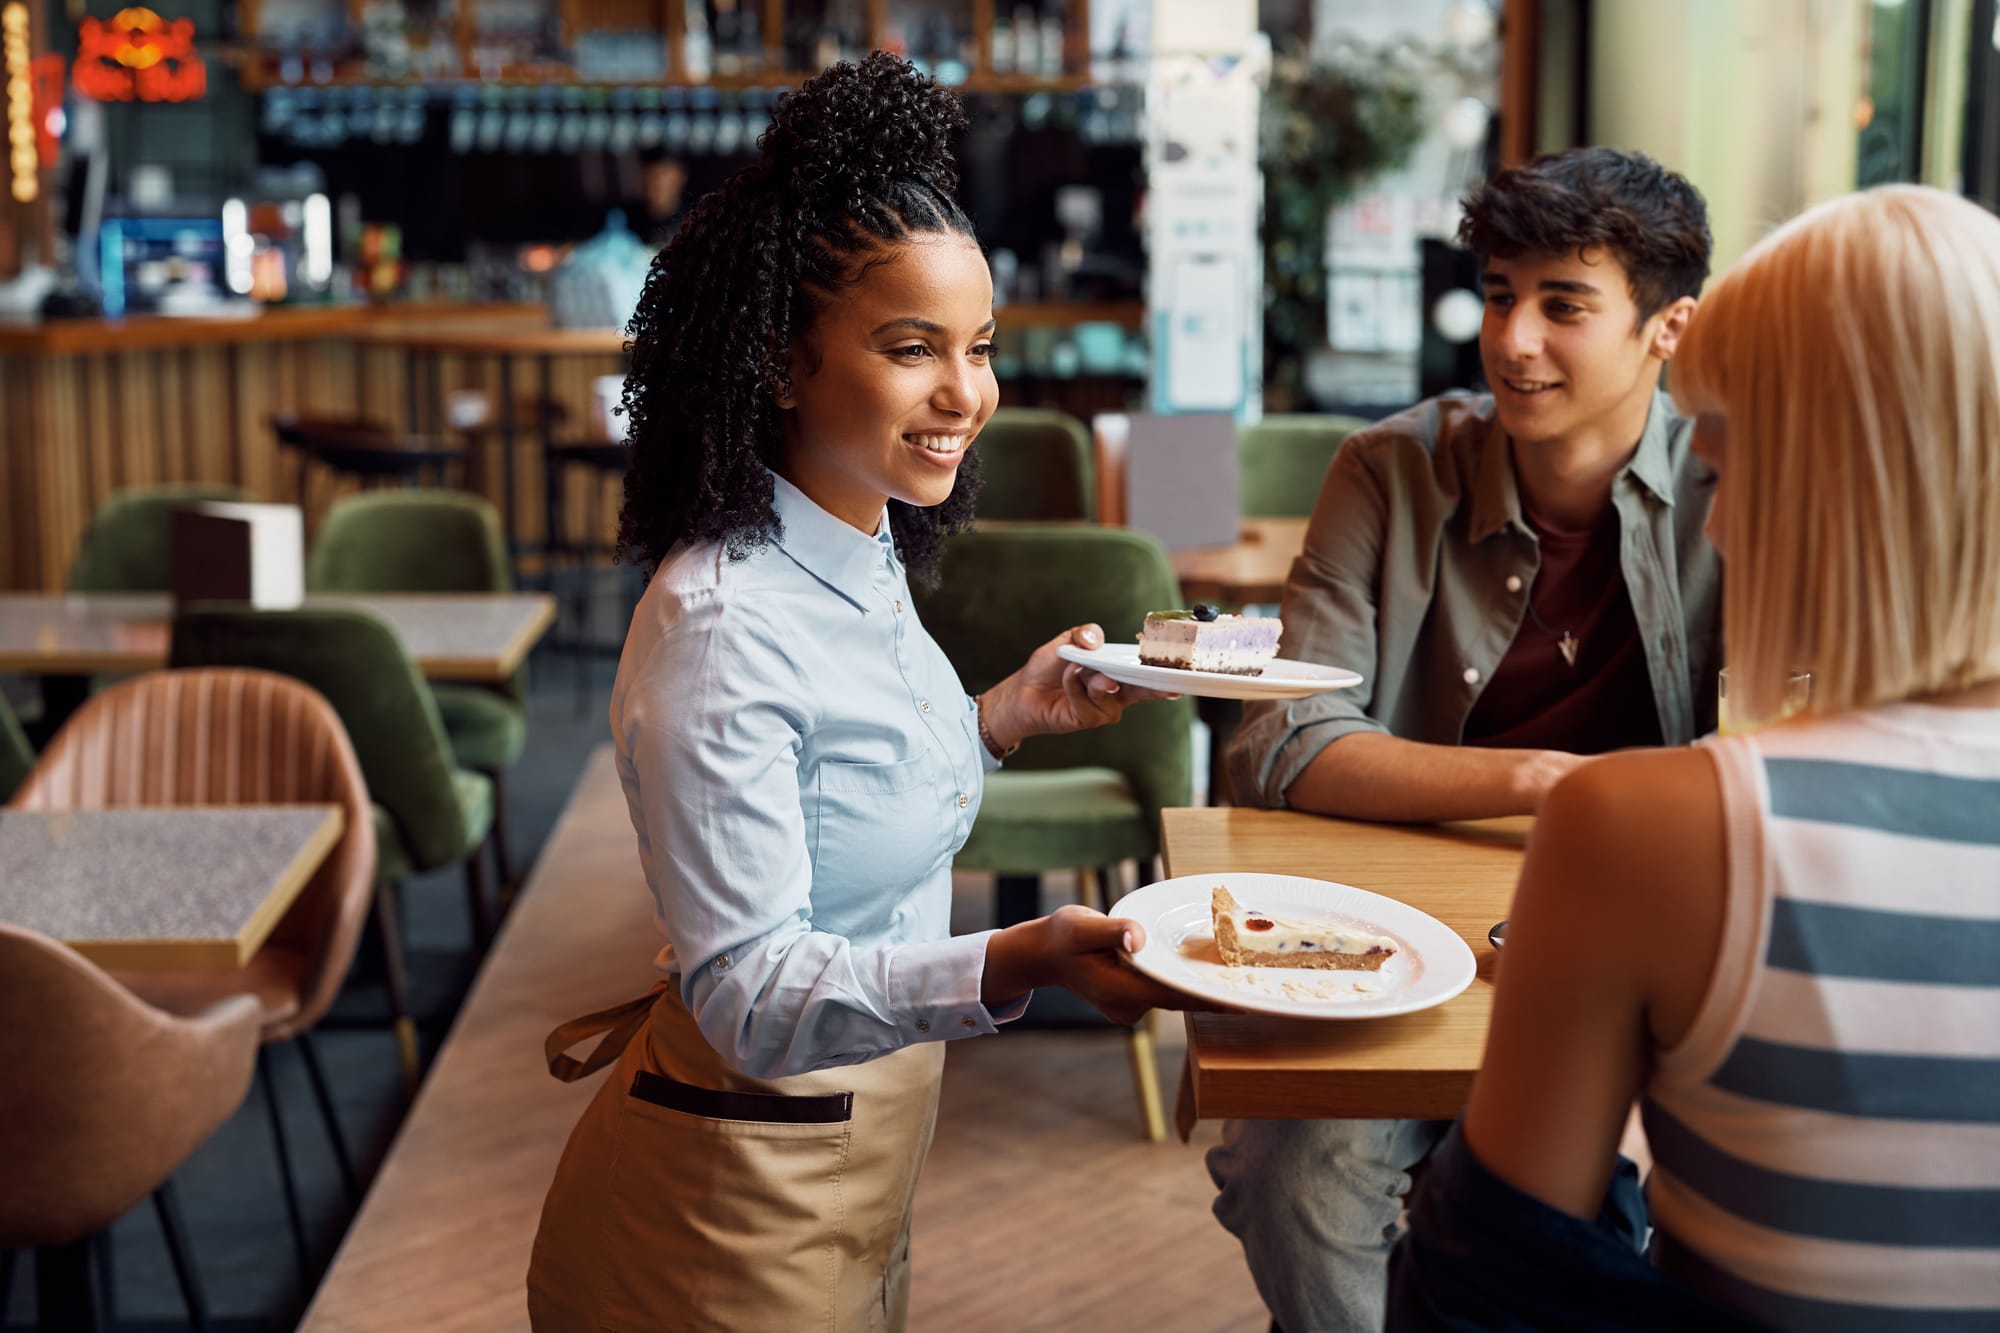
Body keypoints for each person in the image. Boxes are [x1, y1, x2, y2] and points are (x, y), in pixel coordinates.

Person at [526, 54, 1190, 1331]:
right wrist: (1021, 956)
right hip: (722, 1212)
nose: (967, 395)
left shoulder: (856, 540)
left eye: (980, 349)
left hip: (854, 1160)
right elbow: (751, 995)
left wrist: (1005, 715)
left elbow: (841, 798)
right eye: (910, 349)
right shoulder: (726, 627)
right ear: (781, 366)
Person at [1390, 183, 2000, 1330]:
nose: (1707, 524)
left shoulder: (1652, 828)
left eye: (1714, 465)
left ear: (1840, 476)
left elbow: (1483, 1292)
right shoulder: (1395, 465)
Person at [1211, 147, 1723, 1333]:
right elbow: (1281, 742)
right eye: (1499, 294)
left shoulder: (1730, 487)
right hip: (1394, 936)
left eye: (1562, 304)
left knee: (1589, 1218)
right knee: (1287, 1174)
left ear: (1666, 327)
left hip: (1646, 951)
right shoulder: (1386, 468)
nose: (1513, 339)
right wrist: (1556, 782)